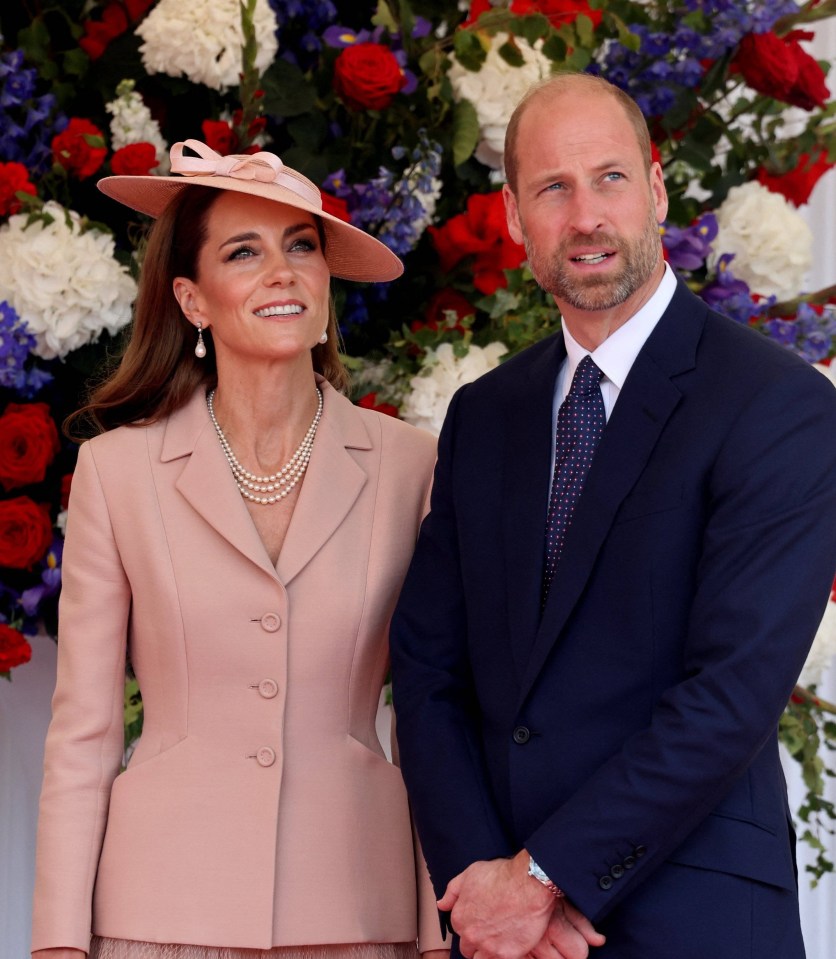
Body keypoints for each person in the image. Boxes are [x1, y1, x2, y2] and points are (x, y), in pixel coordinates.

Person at [390, 72, 836, 959]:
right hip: (504, 933)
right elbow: (429, 667)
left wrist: (544, 877)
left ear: (658, 189)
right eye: (553, 187)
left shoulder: (777, 403)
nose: (585, 214)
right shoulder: (485, 415)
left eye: (610, 178)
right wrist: (485, 880)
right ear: (515, 218)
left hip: (694, 914)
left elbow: (731, 692)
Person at [31, 139, 449, 959]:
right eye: (244, 251)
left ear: (328, 283)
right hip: (158, 920)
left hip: (360, 915)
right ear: (192, 298)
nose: (283, 271)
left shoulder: (413, 466)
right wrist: (57, 944)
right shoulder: (116, 473)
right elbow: (82, 732)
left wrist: (438, 932)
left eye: (302, 246)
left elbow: (434, 721)